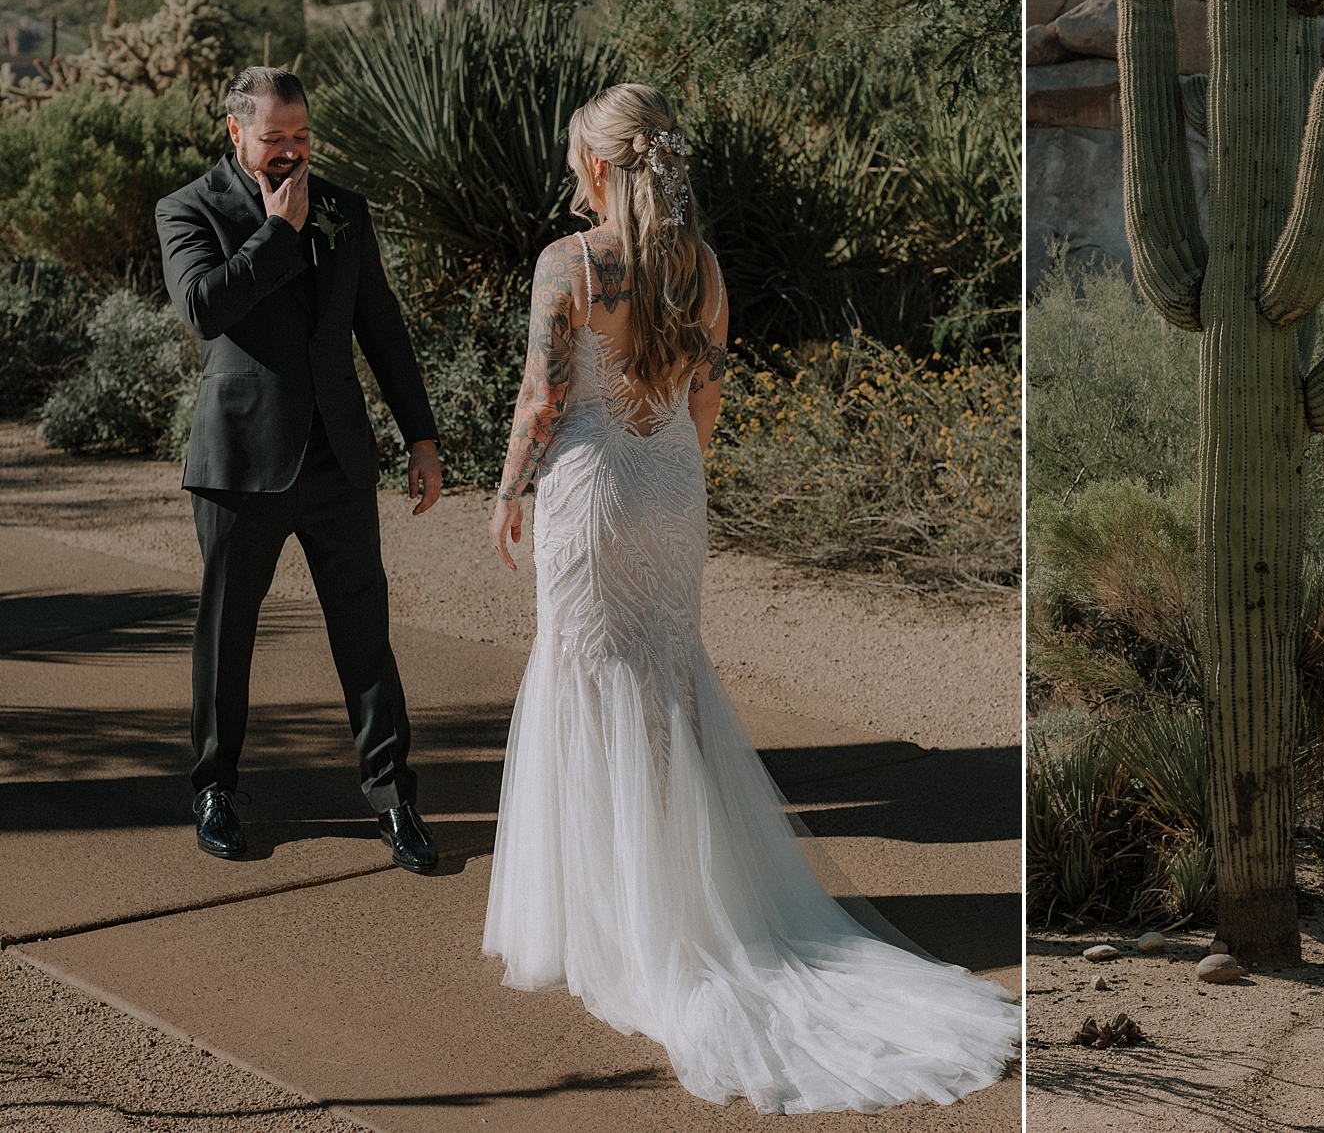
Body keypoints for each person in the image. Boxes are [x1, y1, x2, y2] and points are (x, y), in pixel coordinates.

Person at [479, 84, 1018, 1113]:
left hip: (592, 486)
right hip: (672, 479)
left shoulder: (570, 263)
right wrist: (673, 475)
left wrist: (507, 491)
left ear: (596, 167)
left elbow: (544, 397)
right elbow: (707, 392)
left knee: (588, 679)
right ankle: (685, 894)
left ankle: (615, 919)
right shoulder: (702, 267)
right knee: (667, 685)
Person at [156, 66, 443, 873]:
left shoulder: (347, 208)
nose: (291, 153)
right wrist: (279, 233)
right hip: (240, 461)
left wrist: (420, 437)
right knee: (227, 632)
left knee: (365, 632)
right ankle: (215, 788)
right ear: (234, 131)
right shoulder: (188, 208)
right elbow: (205, 308)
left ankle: (392, 794)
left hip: (339, 456)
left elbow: (380, 326)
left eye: (302, 137)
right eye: (275, 137)